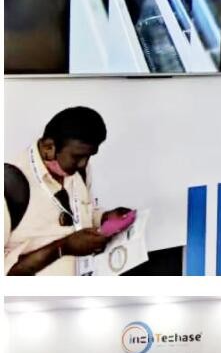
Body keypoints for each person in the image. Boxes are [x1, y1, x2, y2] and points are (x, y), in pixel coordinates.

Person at [5, 106, 132, 276]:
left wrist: (104, 218)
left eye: (89, 156)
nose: (83, 164)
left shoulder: (78, 170)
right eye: (77, 157)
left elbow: (83, 212)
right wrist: (63, 248)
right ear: (49, 148)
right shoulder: (10, 186)